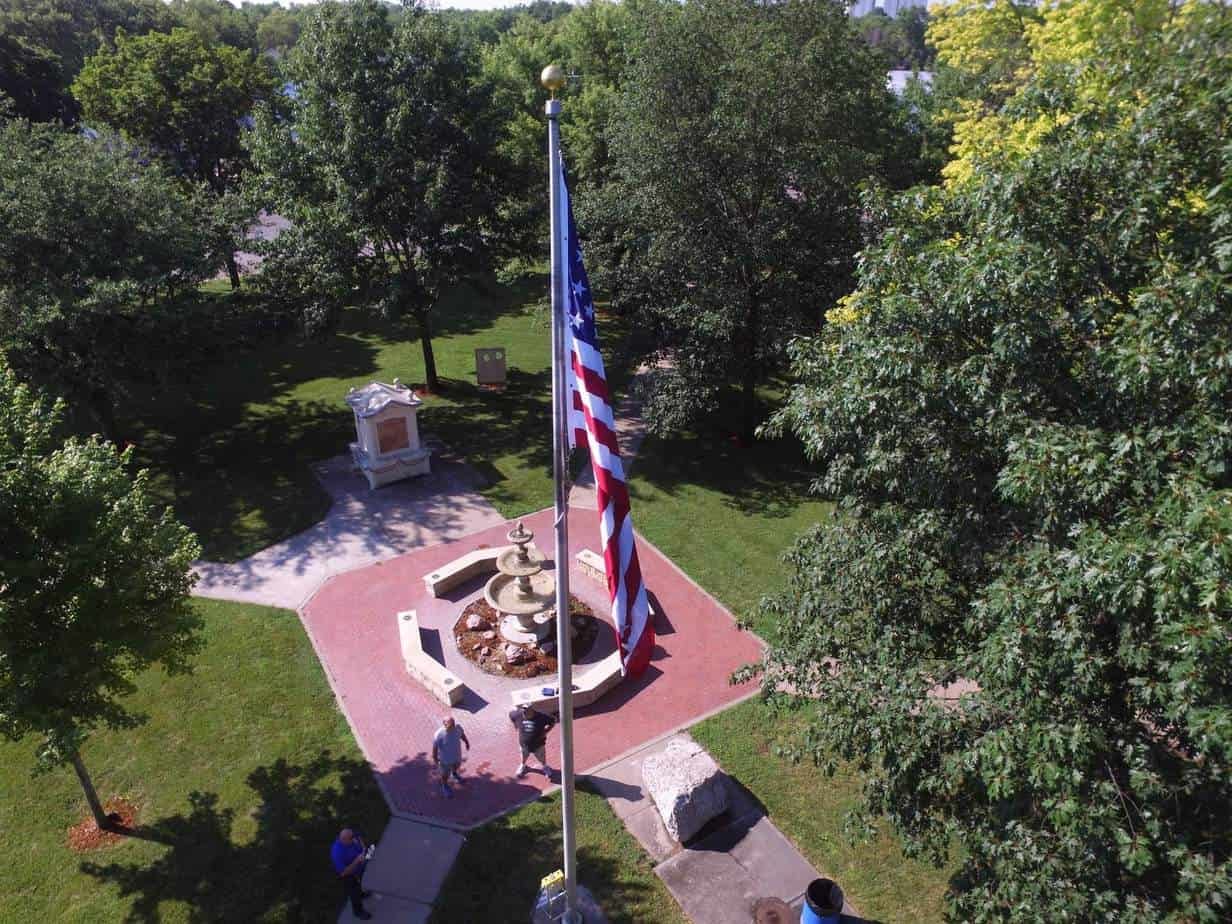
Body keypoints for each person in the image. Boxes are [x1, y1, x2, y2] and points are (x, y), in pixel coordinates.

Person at [331, 827, 372, 920]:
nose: (354, 839)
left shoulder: (352, 836)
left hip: (359, 870)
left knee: (359, 884)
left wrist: (363, 847)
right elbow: (343, 873)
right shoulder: (337, 852)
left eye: (353, 836)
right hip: (350, 876)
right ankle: (359, 912)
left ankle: (361, 894)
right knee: (354, 893)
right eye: (351, 838)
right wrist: (357, 861)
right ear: (344, 840)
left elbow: (358, 837)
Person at [509, 703, 556, 778]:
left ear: (532, 711)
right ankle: (523, 765)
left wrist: (547, 731)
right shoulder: (517, 715)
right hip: (524, 745)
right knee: (523, 757)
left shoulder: (543, 716)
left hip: (538, 745)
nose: (524, 715)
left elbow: (553, 721)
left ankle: (544, 766)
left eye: (526, 713)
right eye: (523, 712)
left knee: (542, 758)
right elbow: (511, 716)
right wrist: (515, 726)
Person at [431, 715, 470, 798]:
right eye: (451, 724)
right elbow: (434, 749)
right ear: (444, 724)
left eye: (453, 723)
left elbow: (462, 735)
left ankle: (455, 774)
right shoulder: (439, 735)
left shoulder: (457, 728)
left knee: (456, 766)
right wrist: (435, 761)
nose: (453, 726)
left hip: (457, 756)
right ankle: (444, 786)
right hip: (445, 760)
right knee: (445, 774)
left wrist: (466, 742)